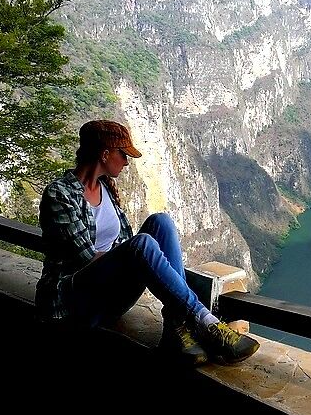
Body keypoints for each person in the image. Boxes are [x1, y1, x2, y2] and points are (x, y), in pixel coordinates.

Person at [36, 119, 259, 366]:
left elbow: (122, 248)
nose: (126, 161)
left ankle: (176, 325)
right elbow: (86, 258)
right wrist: (131, 257)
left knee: (160, 222)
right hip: (74, 303)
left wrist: (130, 257)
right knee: (142, 244)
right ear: (105, 153)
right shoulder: (59, 194)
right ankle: (205, 321)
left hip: (109, 295)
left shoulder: (106, 189)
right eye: (123, 154)